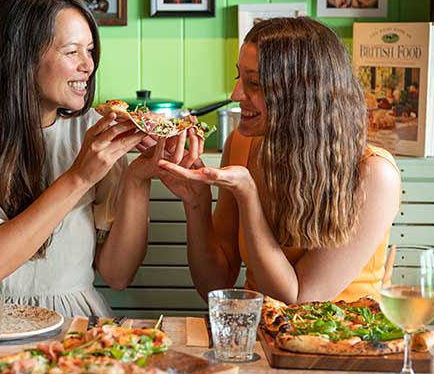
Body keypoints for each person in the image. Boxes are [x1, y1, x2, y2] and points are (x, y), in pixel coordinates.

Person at [0, 0, 165, 317]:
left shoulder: (93, 130)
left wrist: (138, 177)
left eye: (90, 51)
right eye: (72, 51)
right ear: (22, 55)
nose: (88, 66)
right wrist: (78, 177)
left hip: (75, 326)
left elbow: (118, 275)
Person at [158, 17, 401, 304]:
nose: (236, 94)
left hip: (344, 340)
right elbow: (214, 283)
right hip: (259, 334)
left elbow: (298, 300)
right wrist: (196, 201)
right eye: (240, 78)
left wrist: (247, 194)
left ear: (302, 94)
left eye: (255, 83)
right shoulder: (241, 143)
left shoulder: (373, 174)